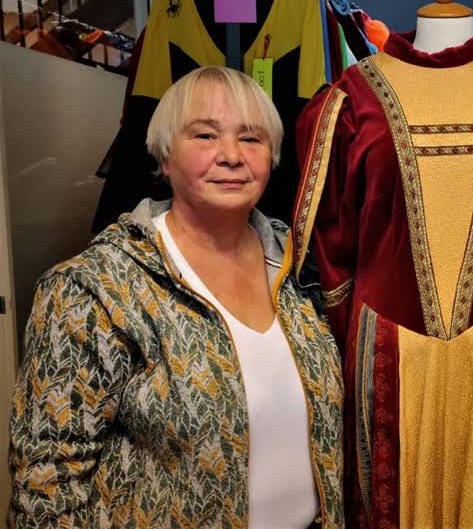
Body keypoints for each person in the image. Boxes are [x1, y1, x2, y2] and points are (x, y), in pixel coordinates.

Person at [8, 67, 344, 528]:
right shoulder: (95, 287)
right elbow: (47, 481)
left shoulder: (304, 268)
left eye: (251, 138)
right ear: (165, 157)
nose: (231, 156)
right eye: (205, 135)